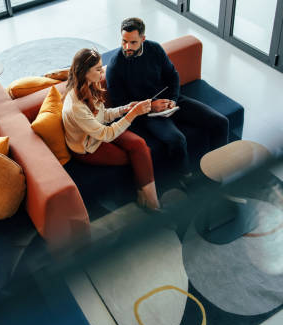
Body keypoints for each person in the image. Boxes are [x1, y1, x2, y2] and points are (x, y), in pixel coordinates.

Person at [106, 17, 229, 180]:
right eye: (124, 41)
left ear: (143, 39)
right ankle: (186, 179)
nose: (127, 47)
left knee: (221, 122)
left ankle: (217, 170)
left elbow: (172, 75)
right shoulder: (115, 66)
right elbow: (120, 106)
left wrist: (173, 99)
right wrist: (151, 106)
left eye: (133, 42)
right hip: (146, 114)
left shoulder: (155, 49)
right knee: (177, 140)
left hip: (171, 101)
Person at [62, 48, 161, 211]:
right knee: (134, 158)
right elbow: (106, 135)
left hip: (98, 131)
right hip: (87, 147)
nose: (102, 71)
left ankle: (149, 200)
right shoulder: (75, 107)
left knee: (140, 146)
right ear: (84, 72)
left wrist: (125, 109)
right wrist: (134, 113)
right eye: (98, 69)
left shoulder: (90, 85)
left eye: (101, 67)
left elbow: (104, 115)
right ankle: (149, 203)